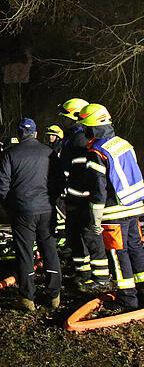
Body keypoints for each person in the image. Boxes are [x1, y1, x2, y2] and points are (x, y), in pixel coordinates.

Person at [78, 104, 144, 311]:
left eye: (85, 127)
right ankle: (142, 291)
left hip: (115, 212)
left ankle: (127, 299)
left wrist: (95, 217)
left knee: (118, 254)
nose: (84, 132)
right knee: (136, 250)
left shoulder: (97, 152)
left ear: (92, 128)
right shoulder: (124, 144)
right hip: (135, 207)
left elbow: (98, 188)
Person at [0, 118, 62, 310]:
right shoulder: (49, 153)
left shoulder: (10, 154)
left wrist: (10, 206)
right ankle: (54, 295)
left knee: (25, 254)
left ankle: (28, 298)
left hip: (22, 211)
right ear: (35, 132)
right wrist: (52, 199)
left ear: (18, 134)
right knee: (50, 250)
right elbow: (59, 181)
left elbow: (2, 186)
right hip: (47, 209)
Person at [57, 97, 108, 286]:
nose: (63, 120)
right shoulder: (72, 138)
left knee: (90, 236)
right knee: (73, 234)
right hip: (73, 195)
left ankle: (101, 277)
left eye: (66, 117)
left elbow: (81, 172)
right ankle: (83, 272)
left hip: (82, 198)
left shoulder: (80, 140)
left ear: (76, 117)